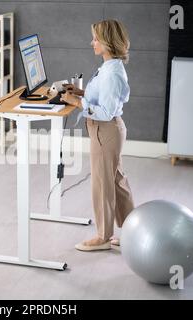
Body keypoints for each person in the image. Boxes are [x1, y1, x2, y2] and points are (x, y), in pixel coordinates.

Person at [60, 20, 135, 251]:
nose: (91, 42)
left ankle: (103, 237)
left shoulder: (112, 73)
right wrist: (82, 93)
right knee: (116, 181)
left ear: (107, 42)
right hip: (108, 131)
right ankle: (133, 232)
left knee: (103, 184)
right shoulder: (109, 67)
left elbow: (105, 111)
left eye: (95, 38)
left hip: (106, 130)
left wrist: (77, 101)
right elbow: (104, 96)